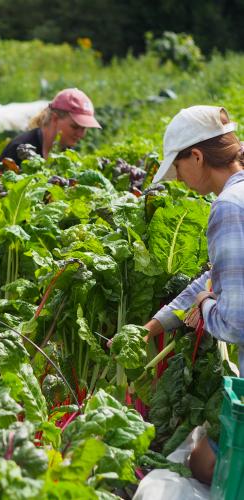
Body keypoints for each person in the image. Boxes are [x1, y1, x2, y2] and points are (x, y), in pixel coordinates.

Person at [143, 105, 244, 484]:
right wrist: (152, 327)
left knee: (204, 464)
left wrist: (204, 306)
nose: (179, 178)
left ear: (197, 157)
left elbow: (234, 323)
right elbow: (212, 278)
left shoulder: (229, 208)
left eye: (179, 167)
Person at [0, 88, 101, 167]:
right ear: (55, 119)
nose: (81, 135)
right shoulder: (18, 149)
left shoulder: (68, 153)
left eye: (84, 128)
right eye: (75, 127)